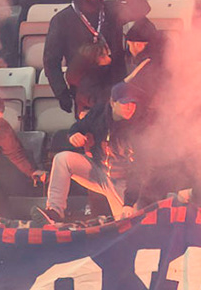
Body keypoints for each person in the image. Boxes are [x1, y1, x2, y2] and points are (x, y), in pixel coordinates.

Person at [44, 0, 150, 117]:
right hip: (86, 93)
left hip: (116, 88)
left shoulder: (111, 10)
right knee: (90, 136)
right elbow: (51, 60)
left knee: (118, 134)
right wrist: (61, 92)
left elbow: (142, 8)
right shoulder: (62, 20)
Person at [43, 83, 143, 223]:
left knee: (127, 223)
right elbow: (78, 126)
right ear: (113, 103)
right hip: (98, 171)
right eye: (125, 103)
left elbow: (138, 170)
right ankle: (54, 212)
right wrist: (73, 135)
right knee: (62, 159)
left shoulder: (138, 128)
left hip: (122, 182)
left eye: (133, 103)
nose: (130, 107)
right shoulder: (100, 112)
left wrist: (129, 202)